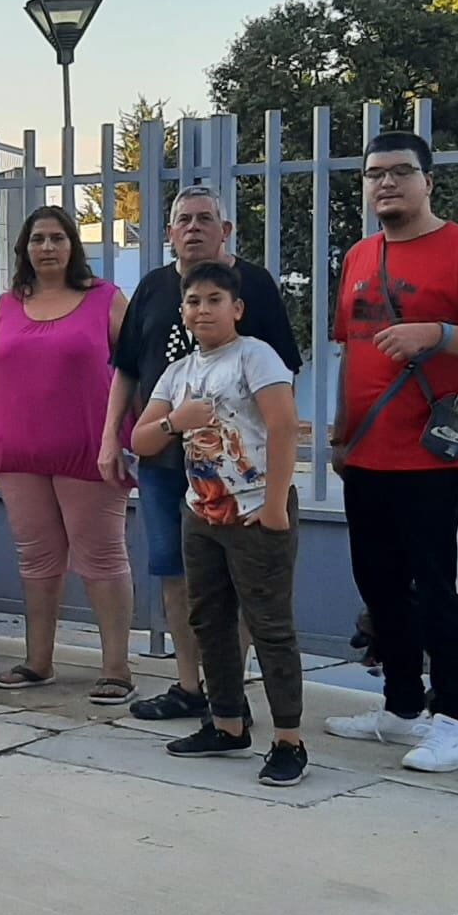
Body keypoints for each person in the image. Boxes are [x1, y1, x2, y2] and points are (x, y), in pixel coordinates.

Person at [326, 131, 458, 774]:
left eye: (399, 172)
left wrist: (437, 334)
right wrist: (339, 433)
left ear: (428, 181)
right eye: (373, 174)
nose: (386, 183)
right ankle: (401, 705)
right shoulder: (359, 255)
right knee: (380, 587)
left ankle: (452, 722)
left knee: (444, 588)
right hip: (367, 455)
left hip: (437, 458)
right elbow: (349, 352)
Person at [101, 185, 302, 724]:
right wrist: (110, 440)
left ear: (225, 230)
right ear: (167, 233)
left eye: (204, 219)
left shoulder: (253, 287)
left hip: (243, 480)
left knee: (244, 591)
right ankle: (190, 687)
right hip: (172, 473)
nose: (193, 228)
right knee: (177, 576)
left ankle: (226, 694)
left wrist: (276, 490)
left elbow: (283, 391)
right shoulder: (151, 289)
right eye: (182, 220)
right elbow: (126, 369)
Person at [131, 262, 307, 786]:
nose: (202, 310)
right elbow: (142, 439)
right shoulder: (179, 372)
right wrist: (172, 423)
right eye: (192, 302)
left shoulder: (254, 356)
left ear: (236, 309)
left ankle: (289, 741)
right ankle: (227, 724)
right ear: (182, 312)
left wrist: (274, 505)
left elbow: (283, 425)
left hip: (256, 511)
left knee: (270, 627)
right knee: (208, 620)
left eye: (213, 300)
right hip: (201, 512)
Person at [0, 205, 134, 702]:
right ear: (25, 249)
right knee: (36, 559)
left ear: (74, 246)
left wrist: (133, 435)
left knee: (100, 556)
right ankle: (38, 662)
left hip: (89, 452)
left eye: (58, 238)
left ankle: (116, 669)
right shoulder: (5, 305)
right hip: (16, 454)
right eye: (38, 239)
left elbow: (135, 367)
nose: (48, 247)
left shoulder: (106, 299)